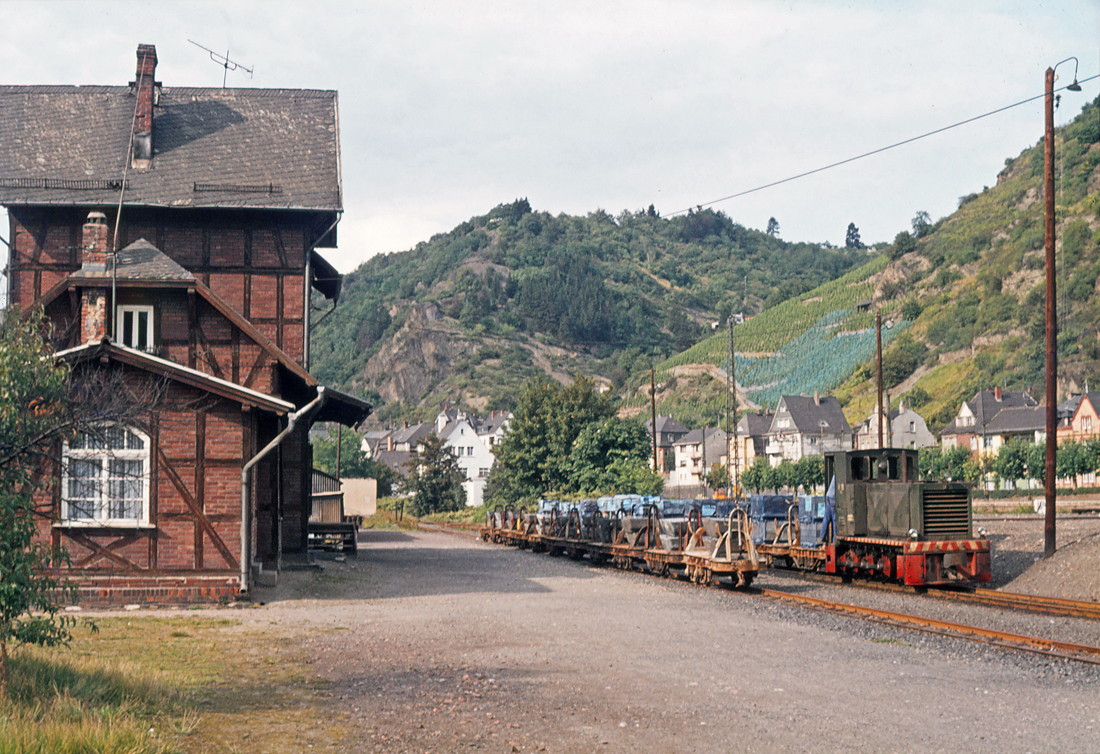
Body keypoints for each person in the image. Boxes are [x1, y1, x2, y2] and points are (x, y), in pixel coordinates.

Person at [821, 474, 836, 544]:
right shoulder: (840, 475)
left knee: (827, 518)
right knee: (835, 519)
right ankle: (835, 539)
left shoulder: (834, 475)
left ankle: (822, 536)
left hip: (828, 495)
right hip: (833, 496)